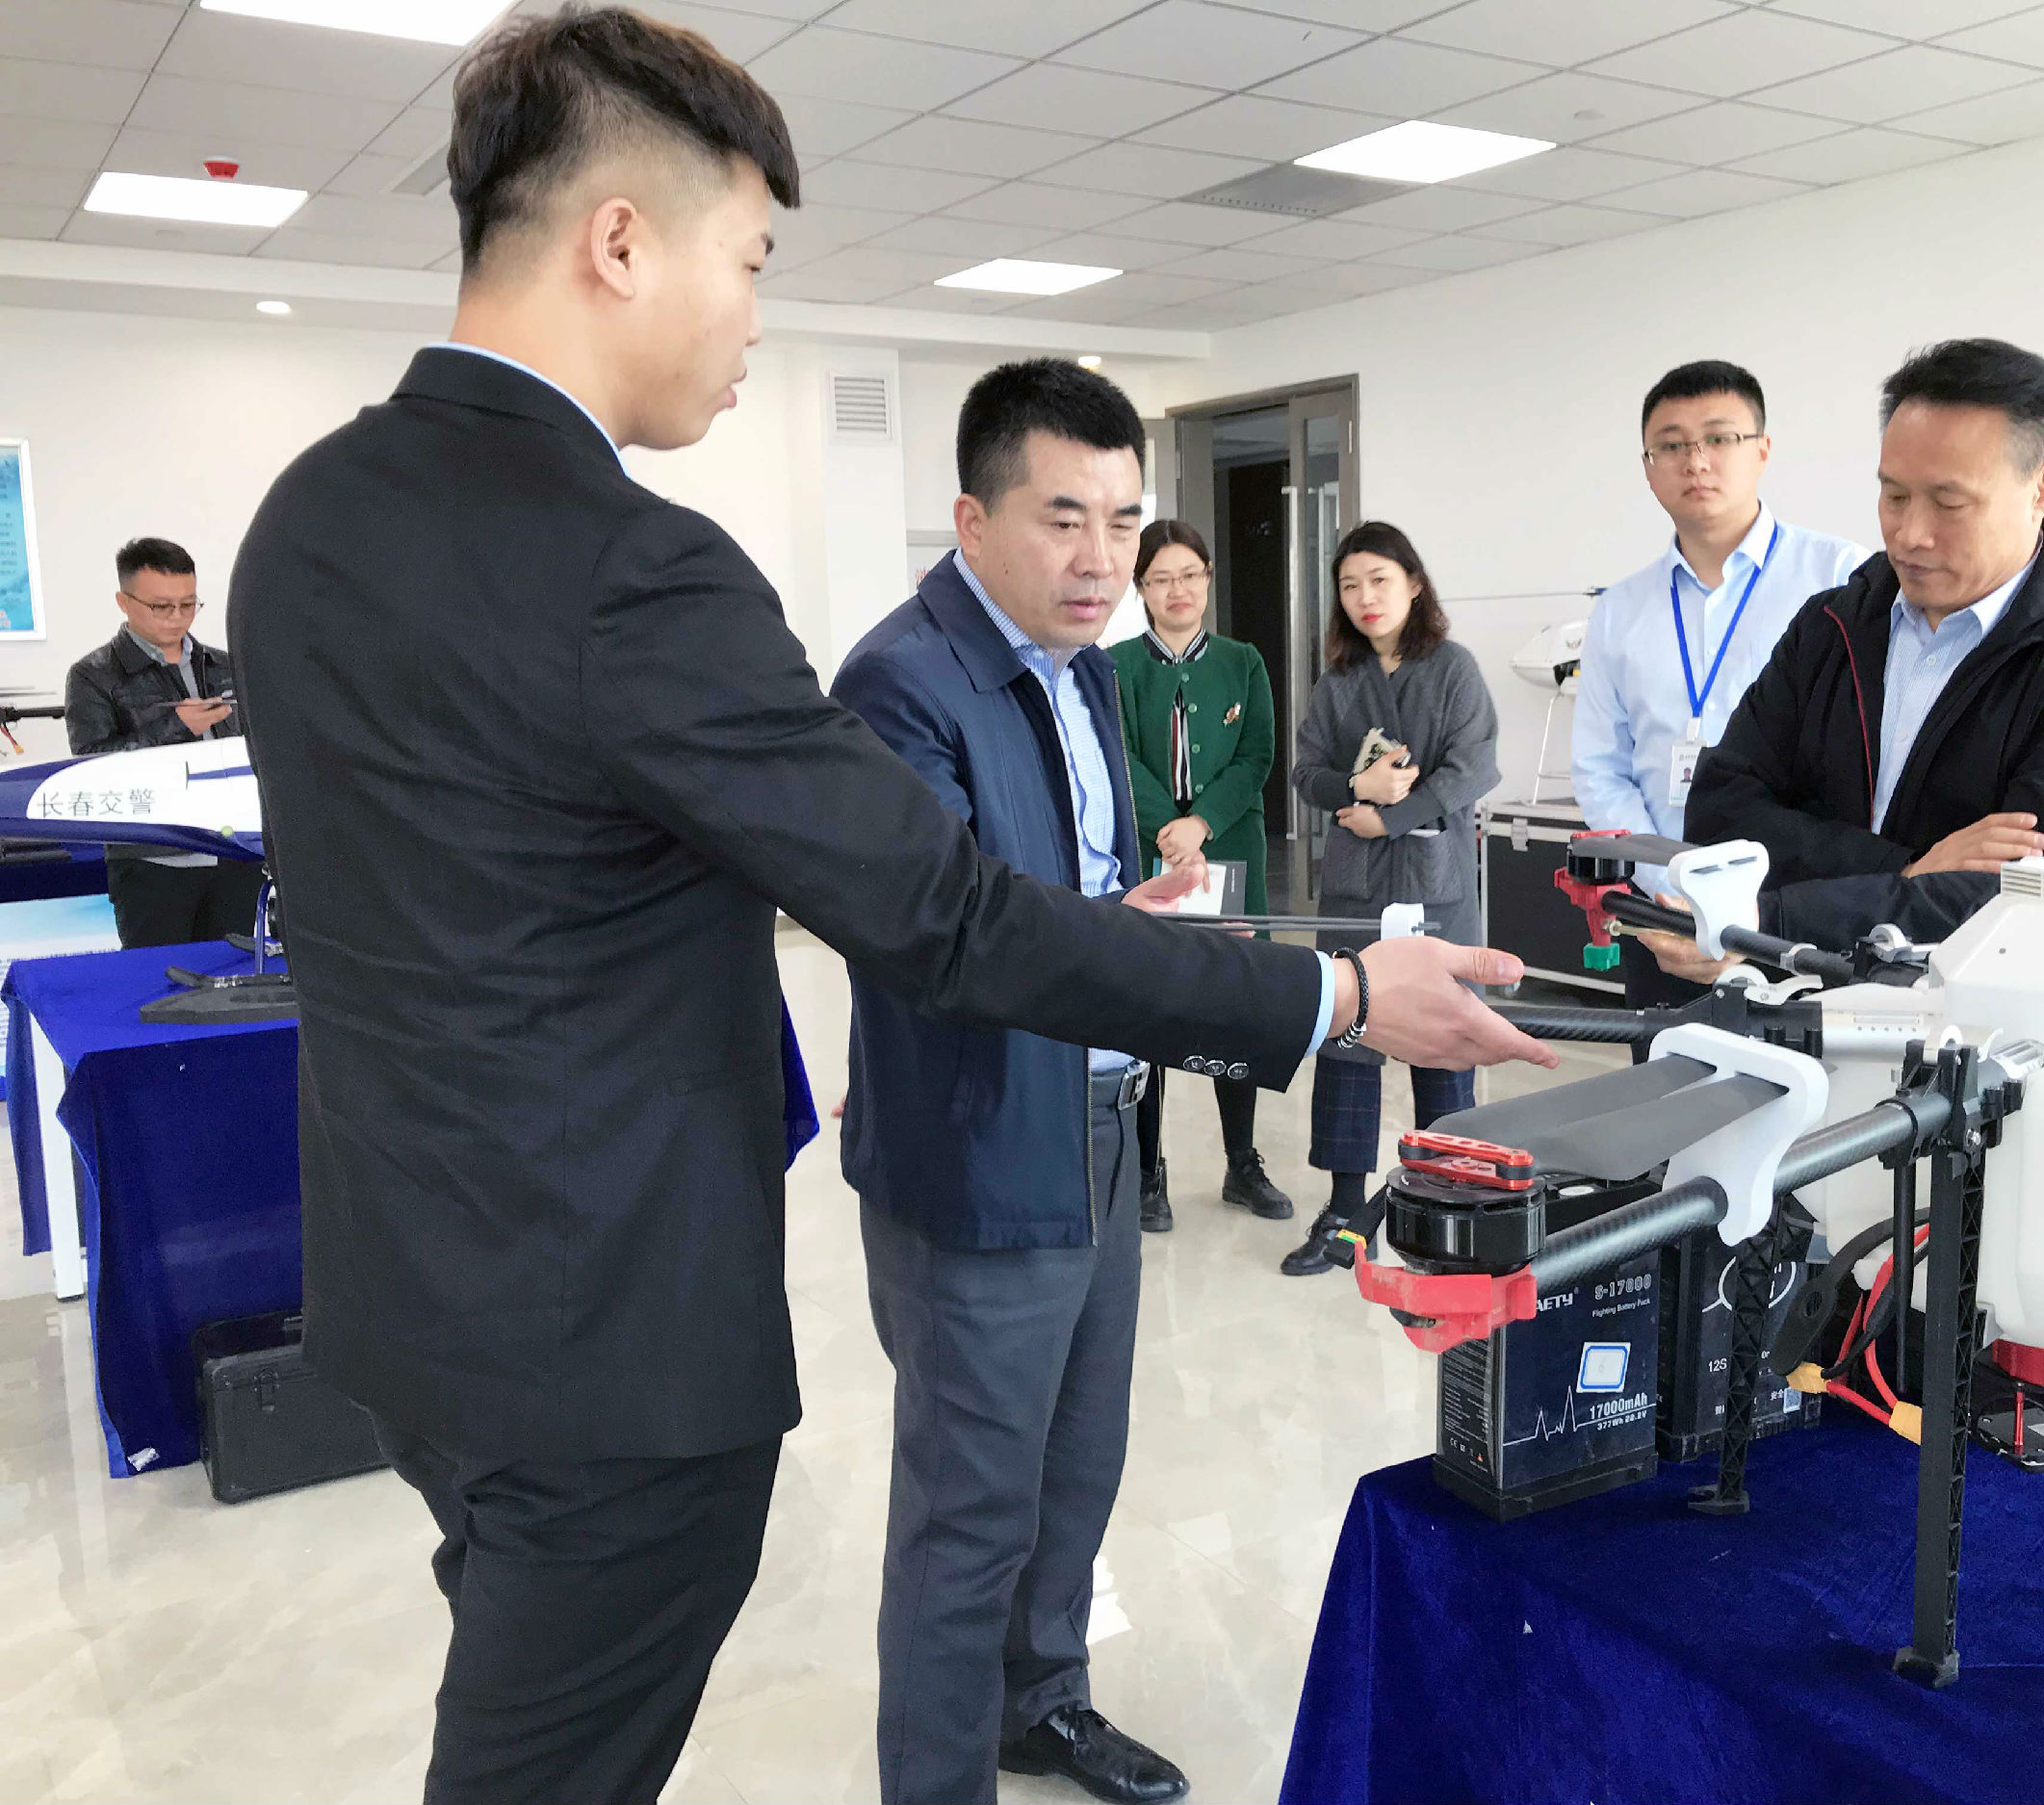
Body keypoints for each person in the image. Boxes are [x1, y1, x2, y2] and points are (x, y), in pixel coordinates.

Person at [224, 14, 1551, 1805]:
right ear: (621, 241)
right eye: (749, 260)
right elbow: (951, 919)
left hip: (409, 1295)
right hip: (605, 1344)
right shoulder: (637, 569)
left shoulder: (310, 515)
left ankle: (1035, 1694)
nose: (753, 318)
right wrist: (1339, 998)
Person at [837, 364, 1229, 1805]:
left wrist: (1144, 914)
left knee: (1077, 1462)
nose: (1101, 558)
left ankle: (1043, 1702)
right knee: (969, 1514)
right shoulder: (899, 683)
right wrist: (1142, 954)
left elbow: (1072, 895)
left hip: (1102, 1125)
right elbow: (954, 939)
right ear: (972, 519)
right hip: (980, 1145)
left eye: (1123, 521)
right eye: (1063, 518)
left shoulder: (1088, 668)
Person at [1655, 338, 2044, 982]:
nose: (1909, 535)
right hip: (1786, 1006)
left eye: (1949, 503)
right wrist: (1903, 871)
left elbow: (2039, 901)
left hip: (1973, 1025)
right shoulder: (1832, 626)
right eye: (1895, 497)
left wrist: (1784, 917)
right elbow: (1718, 813)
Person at [1569, 360, 1870, 1006]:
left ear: (1761, 450)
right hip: (1662, 916)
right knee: (1666, 1069)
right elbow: (1599, 767)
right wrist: (1668, 881)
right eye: (1672, 445)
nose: (1696, 461)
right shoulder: (1619, 609)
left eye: (1718, 438)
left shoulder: (1842, 577)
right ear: (1648, 467)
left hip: (1797, 911)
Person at [1281, 523, 1501, 1278]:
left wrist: (1393, 815)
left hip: (1436, 890)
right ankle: (1345, 1213)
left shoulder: (1454, 669)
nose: (1365, 597)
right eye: (1350, 585)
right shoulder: (1338, 680)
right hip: (1355, 890)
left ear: (1413, 582)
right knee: (1348, 1040)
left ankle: (1449, 1207)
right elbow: (1306, 772)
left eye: (1379, 579)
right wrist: (1356, 785)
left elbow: (1473, 768)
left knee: (1444, 1040)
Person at [1111, 518, 1292, 1232]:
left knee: (1234, 1005)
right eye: (1161, 579)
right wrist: (1170, 827)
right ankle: (1146, 1170)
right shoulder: (1114, 667)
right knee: (1148, 1005)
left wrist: (1203, 824)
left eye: (1189, 575)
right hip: (1149, 857)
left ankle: (1241, 1162)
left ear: (1208, 578)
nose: (1177, 590)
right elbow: (1117, 755)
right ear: (1141, 589)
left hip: (1229, 853)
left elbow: (1256, 756)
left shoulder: (1243, 662)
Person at [64, 536, 267, 948]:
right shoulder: (94, 675)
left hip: (233, 851)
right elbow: (92, 767)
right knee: (157, 976)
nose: (177, 618)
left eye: (188, 604)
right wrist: (176, 726)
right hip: (152, 859)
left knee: (233, 969)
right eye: (161, 606)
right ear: (124, 602)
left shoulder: (224, 665)